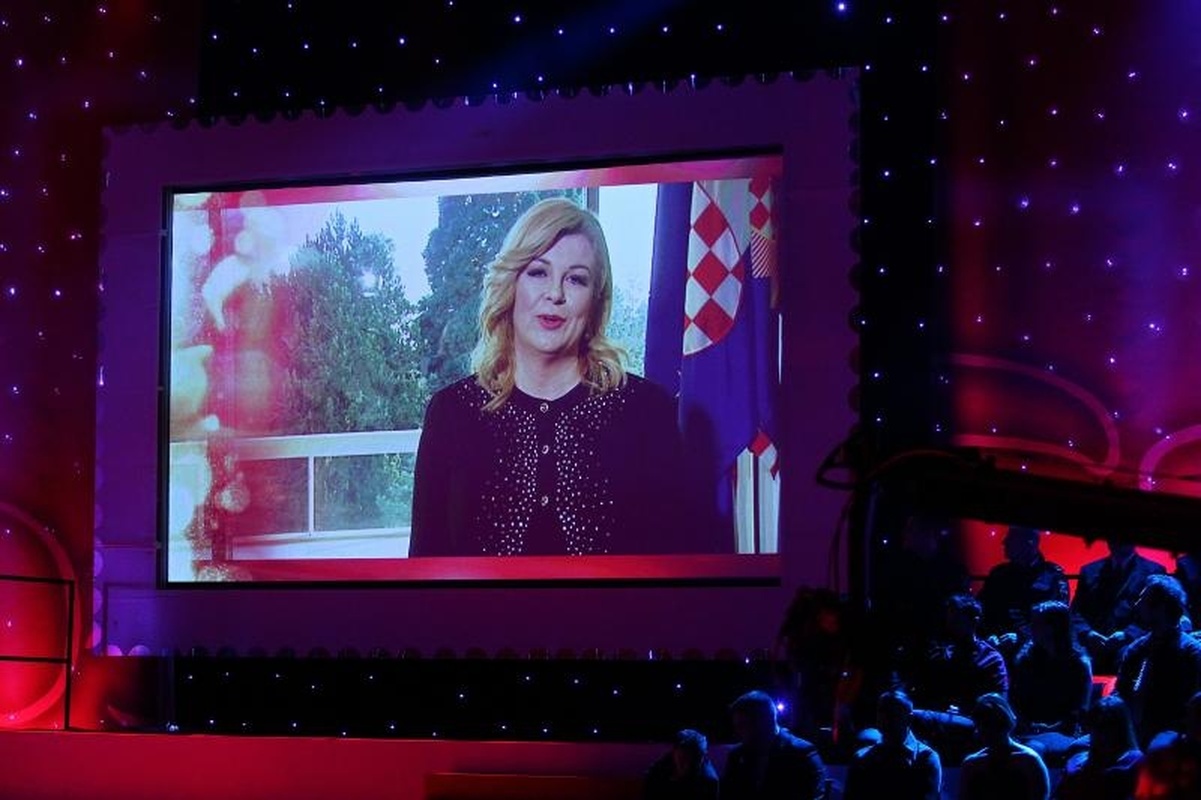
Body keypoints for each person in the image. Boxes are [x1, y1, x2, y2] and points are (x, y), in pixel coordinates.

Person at [409, 197, 694, 557]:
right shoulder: (451, 413)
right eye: (538, 272)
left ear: (595, 299)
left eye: (576, 279)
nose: (555, 294)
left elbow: (676, 571)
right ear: (511, 284)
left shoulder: (647, 411)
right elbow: (426, 567)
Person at [904, 593, 1009, 764]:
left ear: (973, 621)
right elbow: (924, 689)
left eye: (956, 619)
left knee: (916, 718)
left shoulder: (990, 658)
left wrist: (968, 709)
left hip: (973, 720)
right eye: (949, 618)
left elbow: (998, 701)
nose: (950, 624)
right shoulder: (943, 653)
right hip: (941, 714)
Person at [1114, 574, 1201, 747]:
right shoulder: (1137, 649)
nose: (1136, 605)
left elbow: (1194, 705)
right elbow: (1122, 692)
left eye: (1143, 600)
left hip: (1172, 733)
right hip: (1133, 730)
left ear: (1160, 608)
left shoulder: (1191, 652)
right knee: (1079, 748)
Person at [1010, 601, 1092, 765]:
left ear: (1053, 627)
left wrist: (1050, 728)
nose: (1030, 628)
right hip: (1028, 729)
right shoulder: (1026, 660)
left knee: (1033, 748)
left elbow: (1080, 709)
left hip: (1064, 731)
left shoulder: (1078, 663)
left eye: (1036, 623)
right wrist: (1026, 724)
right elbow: (1015, 699)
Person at [1071, 538, 1166, 673]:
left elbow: (1157, 613)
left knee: (1130, 659)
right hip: (1093, 644)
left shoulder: (1153, 571)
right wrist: (1088, 633)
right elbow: (1076, 611)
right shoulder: (1089, 571)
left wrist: (1128, 634)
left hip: (1133, 643)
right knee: (1076, 662)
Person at [720, 690, 828, 800]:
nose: (738, 732)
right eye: (737, 726)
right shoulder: (737, 755)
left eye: (743, 725)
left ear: (766, 721)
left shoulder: (802, 754)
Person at [977, 526, 1069, 650]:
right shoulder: (998, 574)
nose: (1004, 542)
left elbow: (1057, 617)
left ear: (1030, 542)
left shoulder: (1053, 574)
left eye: (1011, 538)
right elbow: (983, 609)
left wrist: (1023, 637)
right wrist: (989, 634)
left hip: (1038, 650)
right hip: (999, 648)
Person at [843, 690, 941, 800]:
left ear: (909, 719)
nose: (884, 718)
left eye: (892, 714)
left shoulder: (926, 758)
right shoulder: (861, 758)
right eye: (881, 711)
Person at [958, 693, 1050, 800]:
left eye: (992, 725)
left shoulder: (1029, 760)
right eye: (983, 724)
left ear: (1004, 724)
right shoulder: (972, 764)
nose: (988, 731)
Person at [1052, 695, 1143, 800]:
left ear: (1120, 730)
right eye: (1095, 726)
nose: (1100, 734)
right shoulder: (1076, 763)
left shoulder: (1133, 765)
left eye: (1106, 727)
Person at [644, 729, 719, 800]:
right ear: (674, 752)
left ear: (703, 756)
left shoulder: (709, 782)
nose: (687, 767)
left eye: (694, 761)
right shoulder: (656, 773)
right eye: (683, 759)